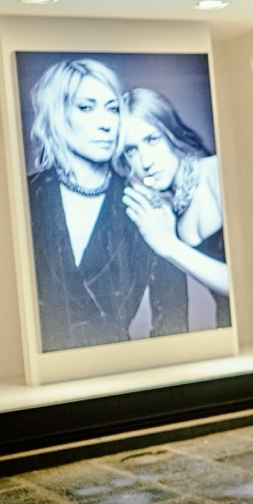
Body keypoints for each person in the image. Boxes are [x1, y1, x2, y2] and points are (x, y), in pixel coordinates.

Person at [26, 59, 186, 352]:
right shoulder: (26, 197)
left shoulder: (146, 204)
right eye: (86, 107)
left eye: (113, 109)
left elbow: (173, 322)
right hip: (38, 383)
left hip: (116, 378)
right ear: (58, 114)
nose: (106, 123)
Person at [116, 87, 231, 329]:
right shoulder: (168, 210)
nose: (145, 162)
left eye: (152, 139)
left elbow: (248, 286)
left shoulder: (218, 173)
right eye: (131, 150)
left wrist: (169, 245)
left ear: (170, 132)